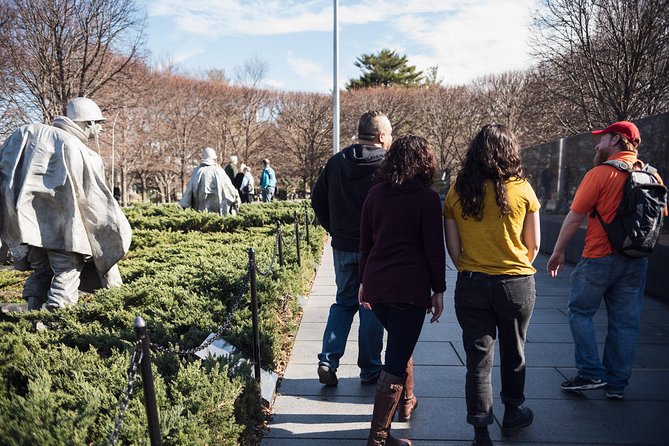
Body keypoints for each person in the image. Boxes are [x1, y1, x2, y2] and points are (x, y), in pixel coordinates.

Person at [547, 121, 666, 400]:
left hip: (599, 256)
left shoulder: (600, 174)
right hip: (637, 258)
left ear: (616, 140)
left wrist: (557, 252)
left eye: (602, 139)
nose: (597, 144)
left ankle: (590, 372)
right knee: (625, 322)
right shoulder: (653, 177)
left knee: (580, 311)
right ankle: (616, 385)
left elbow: (575, 216)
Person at [443, 124, 540, 446]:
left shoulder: (458, 192)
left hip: (472, 284)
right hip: (515, 284)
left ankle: (481, 430)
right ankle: (513, 414)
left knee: (478, 361)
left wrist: (473, 268)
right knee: (515, 351)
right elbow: (534, 245)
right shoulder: (523, 190)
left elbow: (453, 250)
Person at [0, 97, 132, 312]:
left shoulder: (33, 135)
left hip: (30, 229)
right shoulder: (80, 150)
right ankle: (57, 320)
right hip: (64, 231)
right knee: (67, 273)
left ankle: (32, 312)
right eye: (97, 123)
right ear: (87, 123)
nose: (99, 129)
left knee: (41, 271)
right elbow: (94, 201)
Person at [359, 135, 445, 446]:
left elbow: (365, 243)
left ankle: (407, 401)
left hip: (379, 287)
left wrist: (363, 282)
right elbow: (434, 250)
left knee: (398, 346)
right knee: (394, 360)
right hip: (409, 291)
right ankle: (378, 438)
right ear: (424, 161)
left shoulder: (375, 194)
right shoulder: (425, 198)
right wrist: (439, 290)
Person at [311, 110, 392, 387]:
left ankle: (328, 360)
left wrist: (334, 228)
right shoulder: (388, 166)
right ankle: (370, 369)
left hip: (344, 245)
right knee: (372, 306)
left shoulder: (336, 162)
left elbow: (317, 200)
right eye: (389, 134)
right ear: (381, 136)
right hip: (377, 248)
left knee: (345, 303)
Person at [180, 147, 241, 215]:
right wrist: (236, 197)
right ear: (213, 158)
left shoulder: (196, 171)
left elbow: (188, 193)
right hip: (216, 213)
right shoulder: (218, 171)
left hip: (199, 213)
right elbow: (230, 190)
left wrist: (184, 205)